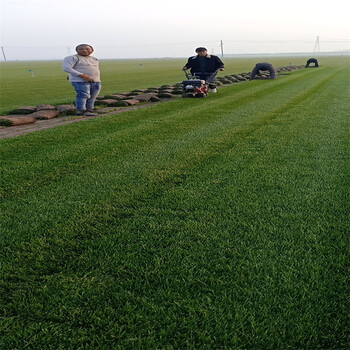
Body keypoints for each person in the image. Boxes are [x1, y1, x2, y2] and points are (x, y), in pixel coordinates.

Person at [63, 44, 101, 116]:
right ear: (76, 50)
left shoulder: (94, 59)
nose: (84, 50)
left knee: (93, 95)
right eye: (81, 49)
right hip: (80, 80)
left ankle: (90, 109)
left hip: (95, 80)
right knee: (83, 95)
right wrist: (83, 76)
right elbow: (67, 68)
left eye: (87, 49)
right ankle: (81, 110)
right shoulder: (73, 58)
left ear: (92, 50)